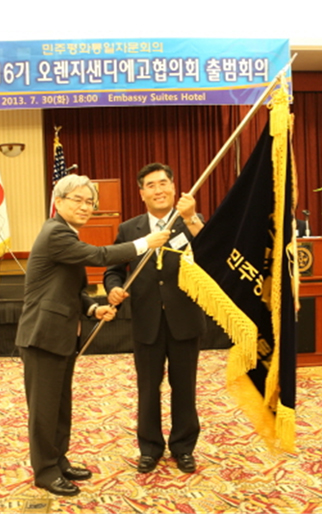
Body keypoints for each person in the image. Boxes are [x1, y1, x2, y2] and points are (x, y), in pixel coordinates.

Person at [15, 174, 169, 497]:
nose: (86, 207)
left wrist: (92, 309)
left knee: (60, 406)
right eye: (78, 200)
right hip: (41, 337)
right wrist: (145, 243)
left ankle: (58, 460)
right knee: (43, 410)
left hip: (61, 335)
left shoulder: (66, 234)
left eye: (90, 202)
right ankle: (45, 471)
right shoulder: (55, 232)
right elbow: (101, 257)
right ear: (58, 202)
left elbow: (70, 290)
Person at [104, 163, 207, 475]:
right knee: (148, 389)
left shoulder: (191, 222)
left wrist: (190, 219)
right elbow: (113, 269)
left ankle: (183, 447)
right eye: (151, 185)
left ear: (174, 188)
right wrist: (113, 288)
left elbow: (211, 255)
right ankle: (149, 448)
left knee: (184, 387)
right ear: (141, 194)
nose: (159, 190)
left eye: (164, 183)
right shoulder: (128, 229)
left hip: (185, 320)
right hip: (146, 322)